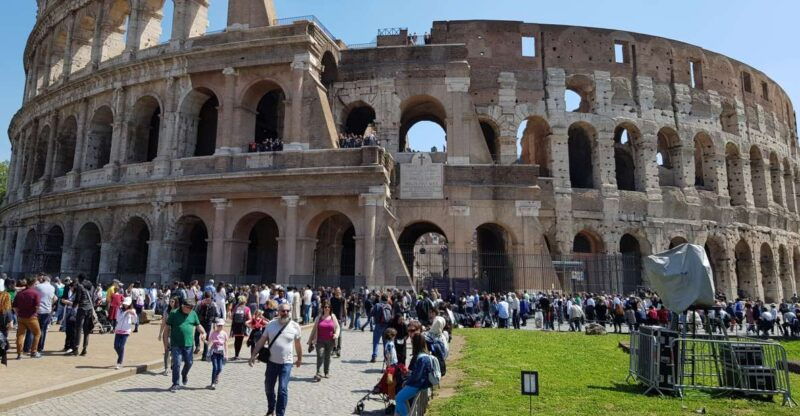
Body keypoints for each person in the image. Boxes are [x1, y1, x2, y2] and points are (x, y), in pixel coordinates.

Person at [249, 303, 302, 416]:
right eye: (283, 311)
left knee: (282, 389)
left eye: (288, 311)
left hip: (286, 364)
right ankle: (271, 408)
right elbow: (261, 341)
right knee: (268, 387)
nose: (285, 313)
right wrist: (253, 355)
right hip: (272, 363)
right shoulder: (271, 325)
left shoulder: (295, 326)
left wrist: (299, 358)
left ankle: (280, 414)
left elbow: (298, 345)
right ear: (278, 311)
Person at [164, 298, 206, 392]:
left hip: (189, 344)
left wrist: (204, 333)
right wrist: (166, 342)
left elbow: (198, 325)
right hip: (176, 344)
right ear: (183, 306)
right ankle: (175, 383)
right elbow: (166, 329)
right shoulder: (174, 313)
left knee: (189, 362)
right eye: (189, 307)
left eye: (192, 308)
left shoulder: (193, 314)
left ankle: (184, 374)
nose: (191, 309)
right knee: (177, 363)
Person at [395, 334, 436, 416]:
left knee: (399, 399)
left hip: (417, 385)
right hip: (421, 384)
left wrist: (407, 381)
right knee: (401, 399)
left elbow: (417, 376)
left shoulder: (421, 358)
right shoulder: (426, 355)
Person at [307, 301, 340, 381]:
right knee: (320, 355)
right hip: (320, 340)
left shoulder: (333, 317)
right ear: (323, 308)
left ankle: (326, 372)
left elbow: (338, 327)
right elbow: (314, 329)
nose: (327, 308)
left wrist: (336, 335)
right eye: (325, 307)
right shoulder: (319, 317)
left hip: (330, 341)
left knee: (327, 357)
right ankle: (318, 373)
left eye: (328, 307)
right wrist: (310, 340)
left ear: (330, 308)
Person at [12, 277, 42, 359]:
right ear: (33, 284)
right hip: (32, 317)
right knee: (37, 333)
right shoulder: (35, 293)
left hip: (21, 317)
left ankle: (19, 354)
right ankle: (34, 352)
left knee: (20, 335)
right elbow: (37, 306)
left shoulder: (20, 293)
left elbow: (14, 306)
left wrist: (18, 314)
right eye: (36, 284)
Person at [68, 274, 94, 356]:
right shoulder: (91, 286)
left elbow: (77, 299)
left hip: (82, 308)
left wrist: (73, 307)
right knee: (87, 330)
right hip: (89, 309)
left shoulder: (80, 286)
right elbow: (92, 298)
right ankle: (84, 349)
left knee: (78, 329)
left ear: (79, 279)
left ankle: (76, 349)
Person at [113, 297, 138, 369]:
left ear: (130, 304)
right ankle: (121, 356)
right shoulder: (120, 309)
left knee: (121, 346)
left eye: (127, 304)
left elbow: (135, 321)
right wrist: (125, 312)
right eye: (125, 304)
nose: (125, 306)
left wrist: (134, 315)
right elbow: (118, 319)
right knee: (115, 346)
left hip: (126, 331)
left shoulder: (133, 310)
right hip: (118, 330)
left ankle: (119, 362)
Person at [34, 275, 57, 352]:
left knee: (35, 329)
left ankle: (34, 346)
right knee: (43, 329)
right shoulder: (52, 287)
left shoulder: (38, 286)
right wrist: (50, 304)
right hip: (47, 310)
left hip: (38, 310)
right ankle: (40, 347)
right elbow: (55, 298)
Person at [195, 292, 219, 359]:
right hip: (203, 322)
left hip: (205, 322)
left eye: (209, 299)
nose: (208, 300)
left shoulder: (212, 304)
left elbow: (216, 315)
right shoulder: (201, 303)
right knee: (200, 336)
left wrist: (214, 324)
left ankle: (202, 351)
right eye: (207, 299)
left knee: (202, 336)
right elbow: (195, 313)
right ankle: (200, 350)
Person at [206, 318, 229, 389]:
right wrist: (204, 340)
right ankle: (213, 383)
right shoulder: (213, 333)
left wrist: (226, 354)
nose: (220, 327)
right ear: (216, 325)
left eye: (221, 325)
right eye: (219, 325)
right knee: (215, 367)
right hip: (214, 353)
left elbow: (226, 344)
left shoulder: (224, 334)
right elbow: (208, 342)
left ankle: (216, 377)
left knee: (220, 368)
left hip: (221, 353)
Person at [158, 297, 178, 375]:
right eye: (170, 301)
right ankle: (166, 368)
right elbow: (163, 322)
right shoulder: (167, 311)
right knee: (167, 350)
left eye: (172, 301)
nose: (171, 303)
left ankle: (173, 363)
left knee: (174, 350)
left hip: (175, 333)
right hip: (167, 333)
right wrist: (160, 333)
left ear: (176, 302)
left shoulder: (179, 311)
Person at [370, 294, 392, 363]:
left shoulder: (377, 305)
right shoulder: (389, 306)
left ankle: (374, 356)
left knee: (376, 341)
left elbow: (372, 313)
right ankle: (385, 357)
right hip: (386, 326)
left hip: (378, 325)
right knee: (385, 342)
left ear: (381, 299)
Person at [231, 296, 252, 360]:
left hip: (235, 326)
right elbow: (250, 318)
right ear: (245, 301)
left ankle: (236, 354)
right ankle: (237, 355)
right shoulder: (247, 308)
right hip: (242, 327)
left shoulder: (236, 308)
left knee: (236, 340)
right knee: (240, 341)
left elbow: (231, 316)